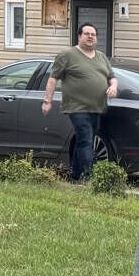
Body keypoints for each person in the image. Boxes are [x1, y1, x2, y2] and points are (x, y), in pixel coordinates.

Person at [43, 23, 118, 181]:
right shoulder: (67, 55)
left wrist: (113, 87)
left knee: (83, 140)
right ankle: (87, 176)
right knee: (86, 139)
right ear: (79, 36)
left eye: (93, 34)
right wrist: (47, 101)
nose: (91, 37)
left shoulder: (101, 57)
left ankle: (75, 176)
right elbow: (52, 79)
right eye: (87, 34)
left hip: (97, 107)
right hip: (77, 107)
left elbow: (112, 77)